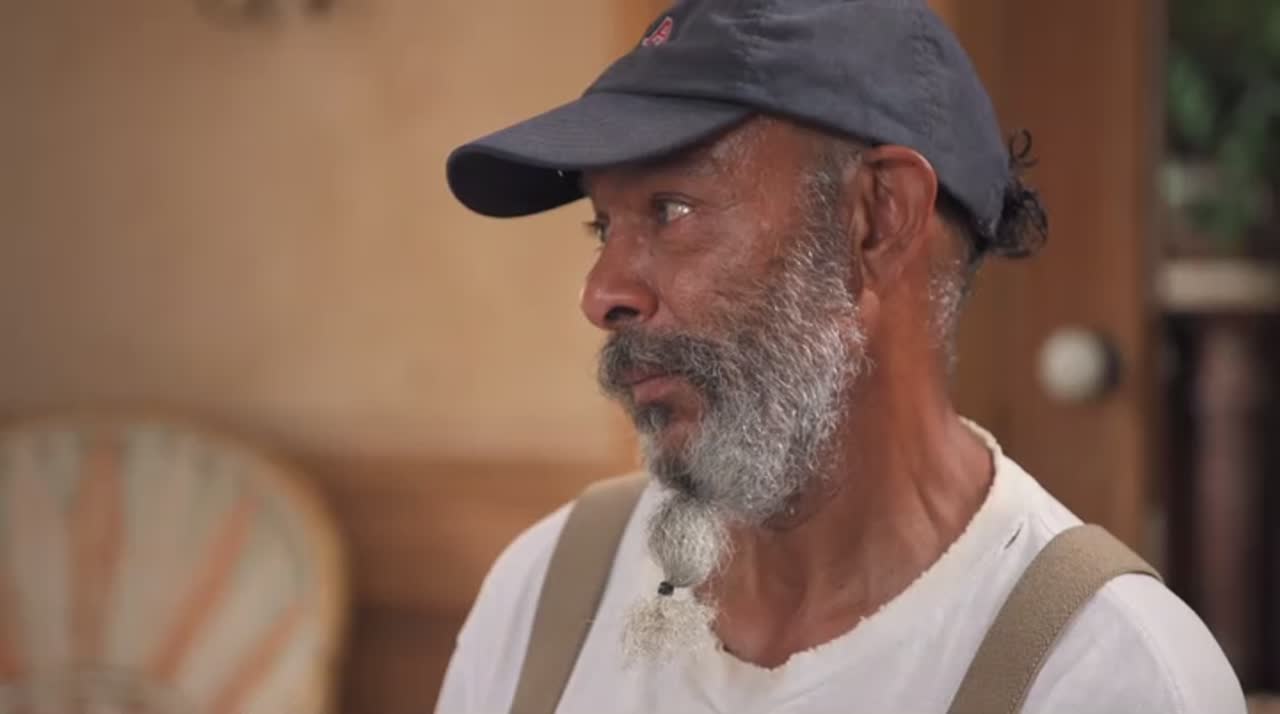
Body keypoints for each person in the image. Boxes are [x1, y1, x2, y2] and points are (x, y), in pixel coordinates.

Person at [438, 0, 1246, 712]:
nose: (601, 292)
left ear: (878, 220)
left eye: (672, 210)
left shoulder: (1106, 676)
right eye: (603, 225)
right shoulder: (544, 595)